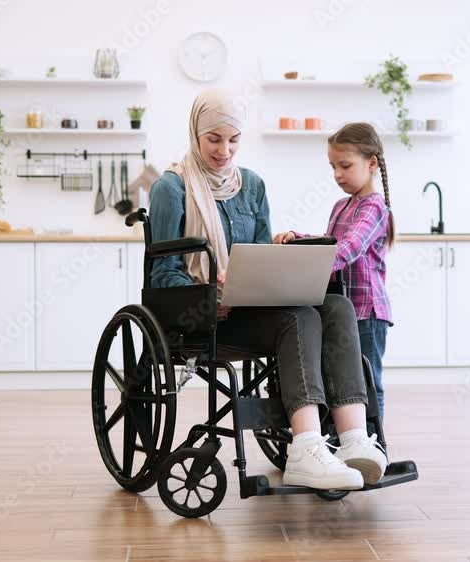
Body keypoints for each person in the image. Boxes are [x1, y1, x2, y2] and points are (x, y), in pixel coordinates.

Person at [148, 90, 387, 490]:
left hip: (253, 309)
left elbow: (262, 258)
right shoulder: (170, 189)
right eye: (214, 139)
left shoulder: (252, 186)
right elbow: (162, 275)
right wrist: (209, 293)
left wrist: (269, 275)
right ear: (195, 134)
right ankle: (306, 447)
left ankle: (352, 440)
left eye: (234, 139)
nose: (225, 150)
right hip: (204, 318)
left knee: (336, 306)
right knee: (300, 317)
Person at [274, 122, 395, 420]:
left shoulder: (374, 207)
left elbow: (348, 249)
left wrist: (311, 259)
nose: (337, 174)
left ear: (371, 163)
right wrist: (297, 238)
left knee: (367, 381)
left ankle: (377, 446)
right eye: (333, 167)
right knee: (340, 382)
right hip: (341, 311)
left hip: (366, 313)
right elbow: (330, 243)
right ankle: (348, 441)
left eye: (345, 165)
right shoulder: (341, 205)